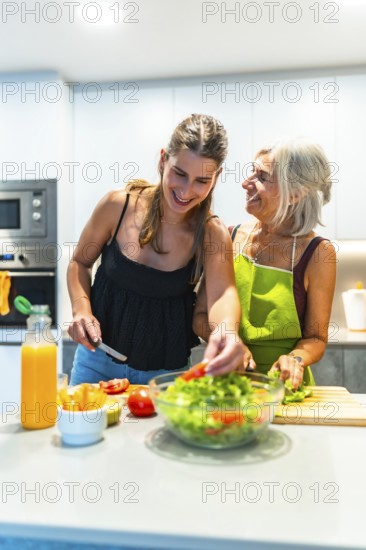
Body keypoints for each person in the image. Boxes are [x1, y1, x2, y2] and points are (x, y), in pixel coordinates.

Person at [67, 114, 244, 385]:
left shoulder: (212, 233)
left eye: (201, 181)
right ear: (163, 160)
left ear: (217, 177)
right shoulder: (117, 206)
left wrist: (227, 331)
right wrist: (81, 310)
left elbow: (223, 294)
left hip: (165, 375)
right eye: (180, 173)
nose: (186, 190)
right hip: (96, 362)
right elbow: (79, 263)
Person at [193, 137, 337, 389]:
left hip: (284, 387)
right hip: (228, 382)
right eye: (252, 170)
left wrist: (294, 359)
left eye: (262, 176)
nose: (245, 182)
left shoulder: (318, 253)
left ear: (294, 194)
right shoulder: (230, 236)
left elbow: (315, 338)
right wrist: (231, 343)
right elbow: (201, 316)